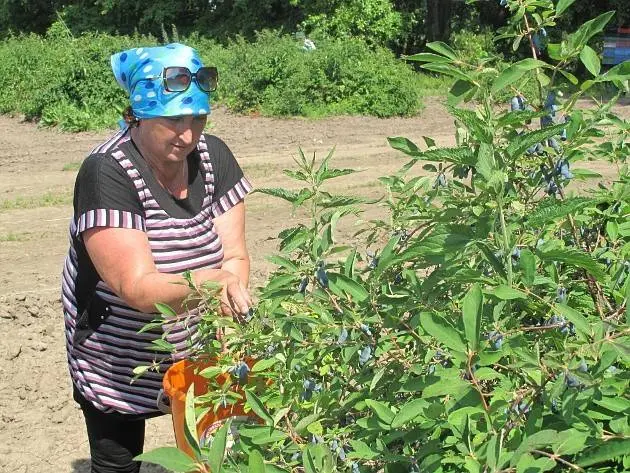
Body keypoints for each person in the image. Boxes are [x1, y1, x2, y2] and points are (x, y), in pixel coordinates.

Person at [61, 43, 252, 473]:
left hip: (198, 343)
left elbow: (236, 255)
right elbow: (137, 288)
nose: (188, 135)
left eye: (197, 119)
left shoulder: (214, 156)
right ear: (141, 116)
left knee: (210, 458)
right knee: (118, 462)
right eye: (173, 121)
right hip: (117, 351)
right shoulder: (106, 172)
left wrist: (231, 300)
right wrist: (212, 285)